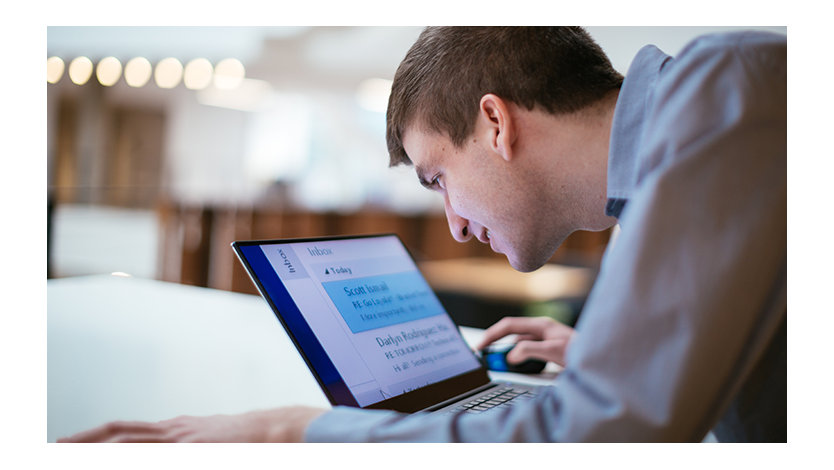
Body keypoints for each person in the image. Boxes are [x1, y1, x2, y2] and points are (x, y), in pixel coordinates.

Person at [60, 26, 786, 443]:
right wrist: (627, 356)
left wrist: (292, 431)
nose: (456, 224)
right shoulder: (685, 141)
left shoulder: (724, 88)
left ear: (496, 123)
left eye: (438, 177)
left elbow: (600, 440)